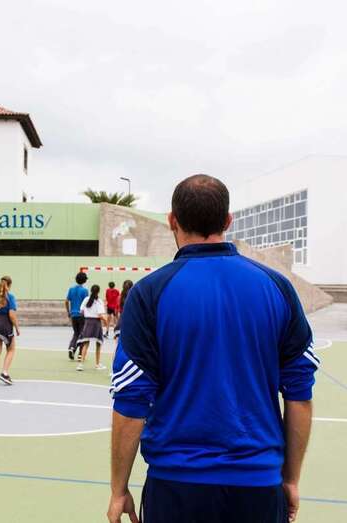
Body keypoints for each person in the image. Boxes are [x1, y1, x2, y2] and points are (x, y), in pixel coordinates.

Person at [107, 174, 319, 523]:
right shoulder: (276, 287)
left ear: (171, 220)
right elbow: (299, 394)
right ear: (227, 220)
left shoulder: (150, 293)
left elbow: (131, 402)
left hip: (176, 486)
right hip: (259, 485)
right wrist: (291, 479)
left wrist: (119, 489)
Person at [76, 284, 108, 371]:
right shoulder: (99, 301)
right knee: (98, 344)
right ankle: (97, 364)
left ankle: (80, 364)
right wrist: (106, 321)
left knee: (86, 344)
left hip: (87, 322)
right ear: (98, 291)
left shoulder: (86, 299)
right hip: (96, 323)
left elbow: (81, 311)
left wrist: (87, 315)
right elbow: (100, 314)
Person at [66, 271, 90, 360]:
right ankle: (80, 354)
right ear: (84, 281)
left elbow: (66, 301)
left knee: (76, 333)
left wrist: (69, 311)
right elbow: (87, 303)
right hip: (82, 315)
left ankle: (72, 347)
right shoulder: (85, 291)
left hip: (73, 314)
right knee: (82, 334)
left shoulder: (71, 289)